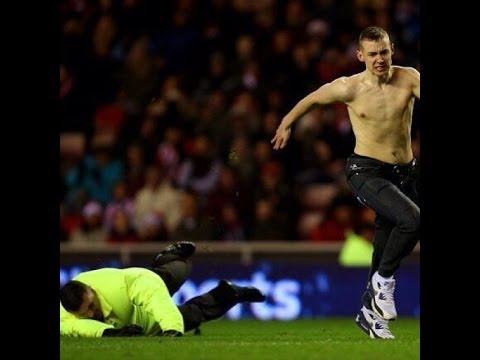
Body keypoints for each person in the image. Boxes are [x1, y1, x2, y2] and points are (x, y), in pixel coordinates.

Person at [271, 26, 419, 339]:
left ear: (392, 49)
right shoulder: (349, 87)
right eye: (372, 54)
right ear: (360, 55)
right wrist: (286, 123)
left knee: (386, 239)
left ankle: (369, 313)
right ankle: (383, 282)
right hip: (365, 171)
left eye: (384, 52)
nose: (379, 59)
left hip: (405, 172)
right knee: (412, 219)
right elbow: (312, 99)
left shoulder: (409, 78)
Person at [60, 241, 266, 337]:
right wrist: (112, 333)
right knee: (195, 315)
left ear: (90, 290)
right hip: (146, 326)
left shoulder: (114, 285)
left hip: (148, 282)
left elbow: (154, 298)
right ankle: (230, 292)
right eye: (83, 313)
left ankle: (167, 258)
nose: (90, 314)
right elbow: (77, 328)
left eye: (90, 306)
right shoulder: (65, 313)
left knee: (179, 270)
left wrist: (172, 328)